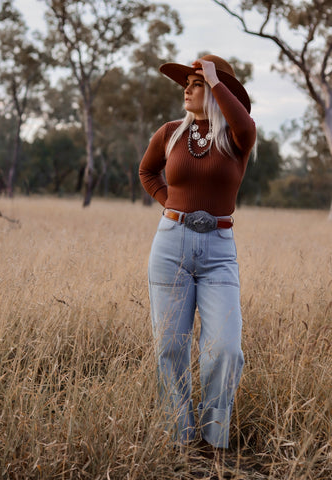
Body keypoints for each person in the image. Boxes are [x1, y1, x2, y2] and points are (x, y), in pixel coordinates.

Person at [139, 55, 256, 453]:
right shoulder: (171, 133)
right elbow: (146, 171)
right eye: (186, 83)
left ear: (218, 92)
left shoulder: (237, 139)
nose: (187, 89)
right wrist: (168, 204)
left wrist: (216, 80)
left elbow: (244, 124)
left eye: (197, 83)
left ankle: (213, 436)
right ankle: (181, 436)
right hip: (171, 245)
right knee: (170, 347)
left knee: (225, 347)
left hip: (219, 252)